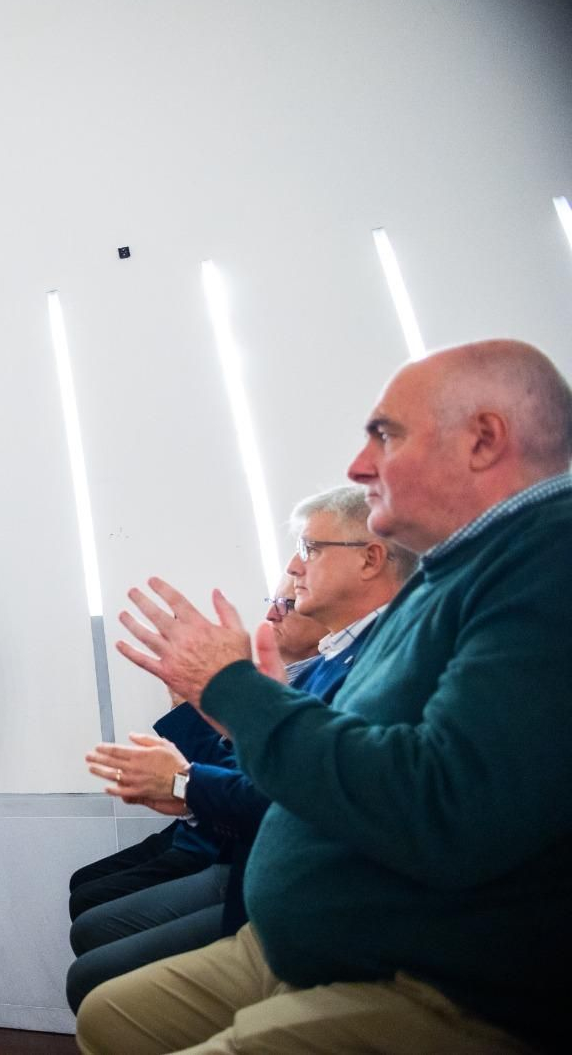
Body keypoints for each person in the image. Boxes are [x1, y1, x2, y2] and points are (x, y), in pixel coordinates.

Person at [83, 339, 572, 1053]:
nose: (359, 465)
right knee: (107, 1017)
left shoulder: (545, 558)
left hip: (432, 975)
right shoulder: (453, 574)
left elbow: (445, 803)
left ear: (484, 438)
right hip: (313, 940)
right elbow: (344, 749)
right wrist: (231, 708)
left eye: (387, 434)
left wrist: (234, 693)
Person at [67, 486, 414, 1011]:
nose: (296, 568)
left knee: (97, 989)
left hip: (307, 909)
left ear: (370, 558)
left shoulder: (387, 661)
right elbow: (274, 773)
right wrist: (217, 710)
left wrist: (186, 777)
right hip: (267, 886)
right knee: (92, 951)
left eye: (312, 549)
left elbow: (295, 793)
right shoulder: (328, 664)